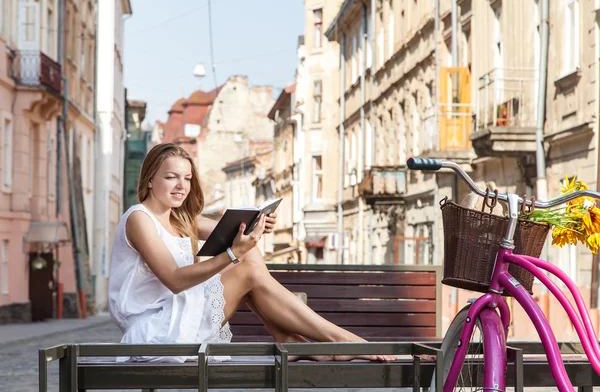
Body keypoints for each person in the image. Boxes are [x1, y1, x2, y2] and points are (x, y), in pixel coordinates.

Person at [108, 143, 396, 363]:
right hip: (156, 331)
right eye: (171, 177)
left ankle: (294, 338)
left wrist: (259, 224)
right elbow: (174, 279)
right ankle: (337, 339)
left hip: (178, 316)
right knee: (245, 265)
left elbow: (230, 229)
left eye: (186, 178)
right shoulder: (139, 218)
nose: (182, 186)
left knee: (250, 260)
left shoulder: (179, 218)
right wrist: (233, 253)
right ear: (149, 180)